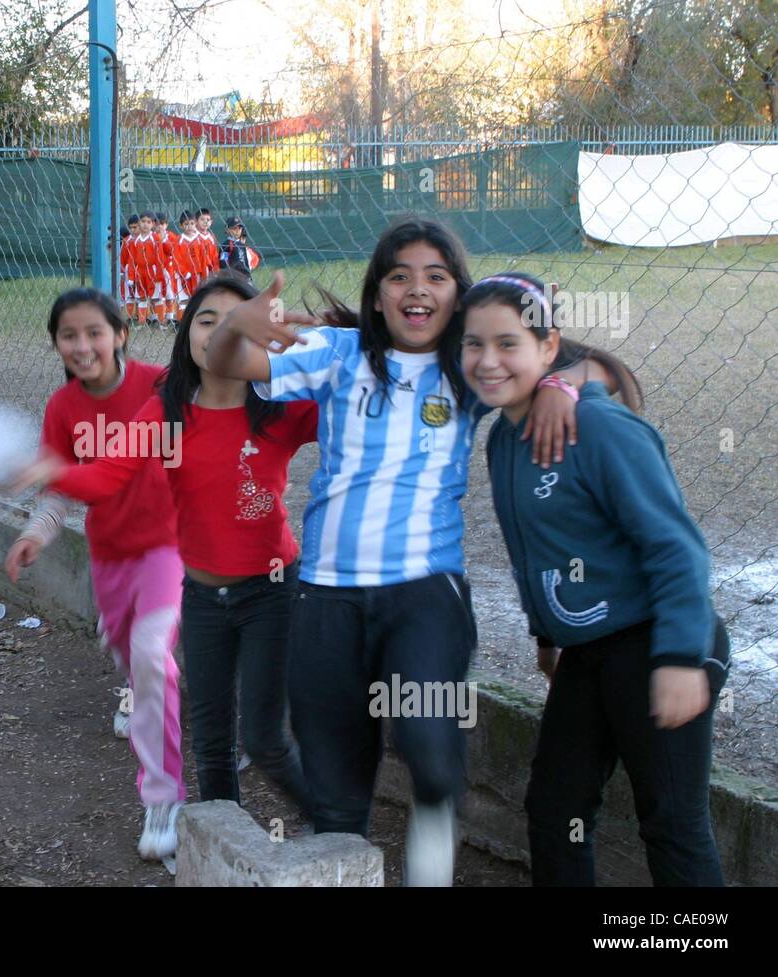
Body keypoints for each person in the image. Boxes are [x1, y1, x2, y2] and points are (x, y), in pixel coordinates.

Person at [205, 216, 600, 885]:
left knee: (429, 746)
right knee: (334, 783)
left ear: (458, 293)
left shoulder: (472, 365)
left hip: (424, 590)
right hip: (326, 593)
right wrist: (236, 323)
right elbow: (224, 364)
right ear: (378, 291)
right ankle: (341, 856)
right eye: (399, 276)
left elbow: (595, 366)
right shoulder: (338, 351)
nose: (417, 290)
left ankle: (435, 823)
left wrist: (563, 383)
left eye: (436, 276)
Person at [460, 271, 730, 886]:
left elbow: (677, 548)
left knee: (671, 819)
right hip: (587, 652)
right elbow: (533, 548)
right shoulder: (503, 438)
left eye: (508, 343)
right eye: (474, 344)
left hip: (657, 641)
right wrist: (545, 637)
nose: (489, 360)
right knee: (555, 810)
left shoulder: (600, 429)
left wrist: (683, 659)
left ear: (548, 347)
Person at [13, 273, 316, 818]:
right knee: (212, 746)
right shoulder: (167, 409)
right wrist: (45, 473)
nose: (220, 331)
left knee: (265, 741)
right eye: (206, 320)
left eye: (235, 320)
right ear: (186, 334)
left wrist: (335, 343)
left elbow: (358, 411)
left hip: (265, 590)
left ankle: (332, 827)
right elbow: (104, 478)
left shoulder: (283, 410)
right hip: (197, 594)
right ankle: (223, 852)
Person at [5, 288, 185, 861]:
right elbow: (60, 492)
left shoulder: (158, 385)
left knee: (153, 653)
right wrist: (35, 534)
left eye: (94, 332)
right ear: (56, 343)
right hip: (109, 559)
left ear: (121, 334)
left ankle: (163, 798)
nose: (82, 346)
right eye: (68, 335)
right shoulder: (62, 408)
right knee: (132, 655)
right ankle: (140, 690)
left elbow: (105, 474)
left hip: (167, 549)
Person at [219, 217, 252, 281]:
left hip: (244, 276)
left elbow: (245, 261)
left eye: (239, 228)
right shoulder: (226, 244)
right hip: (233, 277)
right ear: (227, 230)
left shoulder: (241, 244)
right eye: (234, 228)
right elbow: (223, 262)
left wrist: (249, 276)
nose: (237, 231)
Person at [196, 208, 221, 278]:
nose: (205, 222)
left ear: (211, 222)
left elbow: (214, 256)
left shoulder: (211, 237)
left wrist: (216, 269)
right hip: (196, 270)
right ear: (196, 221)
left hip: (209, 271)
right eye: (202, 219)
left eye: (208, 220)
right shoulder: (192, 236)